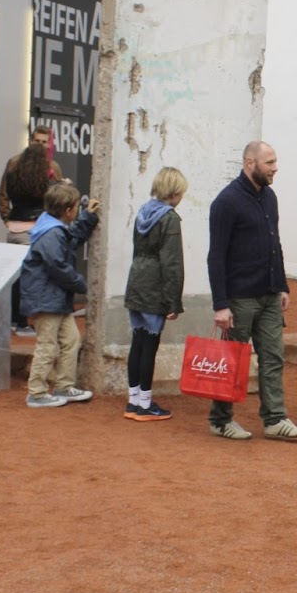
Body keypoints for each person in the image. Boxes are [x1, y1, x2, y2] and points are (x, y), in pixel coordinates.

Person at [206, 141, 297, 442]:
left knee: (273, 357)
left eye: (275, 161)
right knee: (232, 361)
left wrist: (282, 285)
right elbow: (216, 256)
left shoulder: (269, 197)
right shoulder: (226, 202)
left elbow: (274, 243)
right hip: (240, 299)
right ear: (250, 163)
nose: (275, 168)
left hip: (269, 295)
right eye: (269, 162)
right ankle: (220, 420)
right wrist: (221, 304)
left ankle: (274, 419)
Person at [19, 181, 100, 409]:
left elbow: (71, 239)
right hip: (47, 299)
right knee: (47, 345)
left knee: (71, 340)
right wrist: (79, 283)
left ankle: (64, 386)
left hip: (55, 299)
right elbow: (57, 265)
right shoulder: (52, 233)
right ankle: (36, 392)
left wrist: (87, 217)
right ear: (68, 210)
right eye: (76, 207)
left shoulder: (52, 227)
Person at [122, 166, 188, 422]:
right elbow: (172, 263)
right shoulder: (169, 219)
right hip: (154, 286)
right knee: (150, 345)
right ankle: (145, 404)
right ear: (172, 192)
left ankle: (133, 401)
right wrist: (174, 301)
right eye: (180, 193)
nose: (181, 198)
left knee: (137, 342)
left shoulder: (143, 211)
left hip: (136, 280)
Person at [0, 124, 64, 335]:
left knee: (27, 276)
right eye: (37, 141)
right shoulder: (14, 163)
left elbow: (57, 199)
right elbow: (3, 195)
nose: (40, 145)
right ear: (30, 140)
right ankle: (18, 320)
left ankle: (19, 319)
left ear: (49, 144)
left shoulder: (52, 166)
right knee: (22, 276)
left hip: (36, 229)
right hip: (23, 229)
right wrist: (7, 219)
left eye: (44, 142)